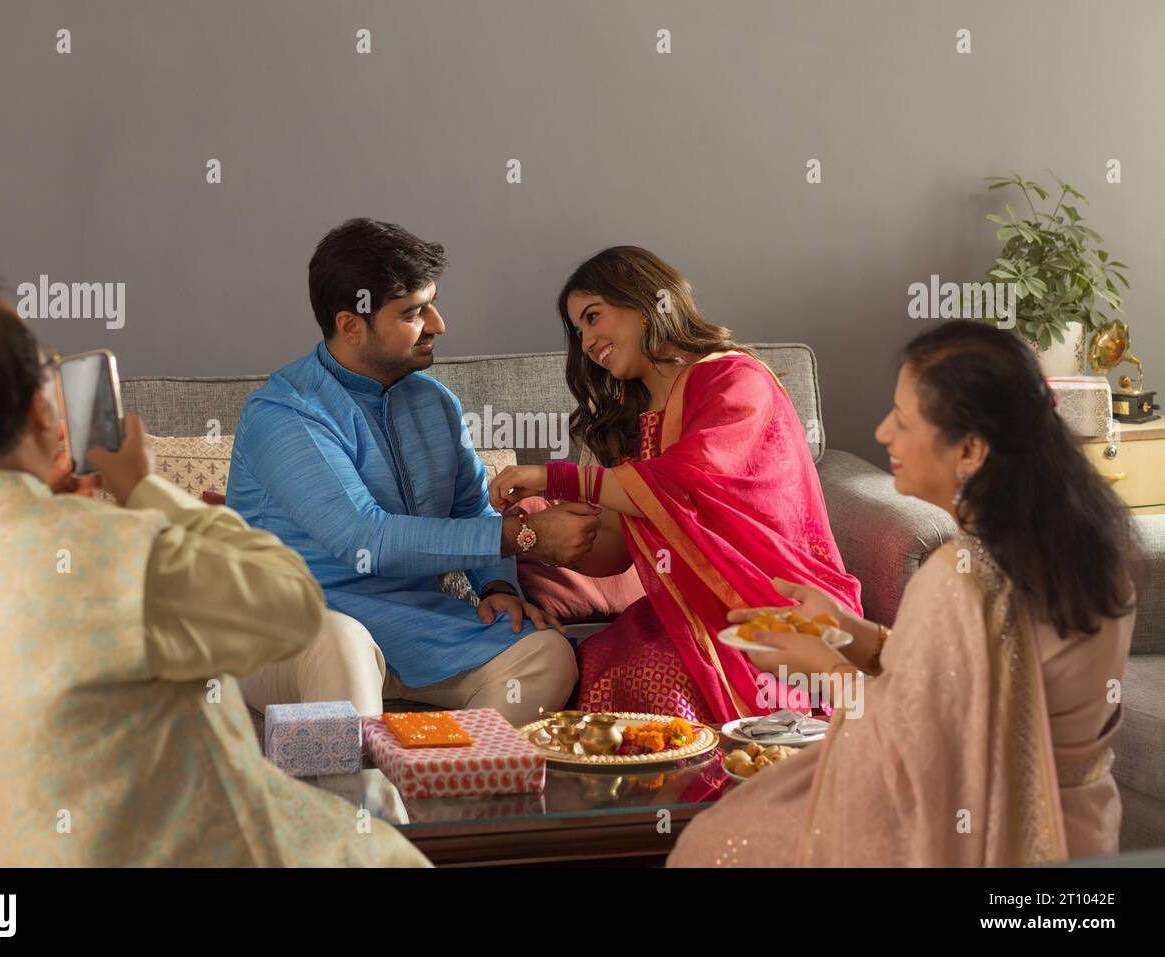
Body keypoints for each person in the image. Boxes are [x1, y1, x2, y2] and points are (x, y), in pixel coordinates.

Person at [0, 278, 427, 866]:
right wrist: (142, 488)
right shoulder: (123, 553)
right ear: (41, 406)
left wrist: (45, 499)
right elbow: (292, 604)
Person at [669, 320, 1137, 866]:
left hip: (978, 831)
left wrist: (822, 668)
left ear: (971, 449)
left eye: (904, 421)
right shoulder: (1087, 551)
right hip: (1082, 827)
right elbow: (976, 681)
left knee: (716, 843)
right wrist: (849, 632)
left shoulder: (962, 576)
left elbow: (916, 747)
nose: (883, 432)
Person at [227, 219, 588, 725]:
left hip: (413, 624)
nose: (438, 324)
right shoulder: (286, 413)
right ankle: (358, 804)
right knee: (341, 642)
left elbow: (471, 509)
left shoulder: (435, 404)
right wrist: (524, 536)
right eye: (414, 312)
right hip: (293, 629)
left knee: (545, 654)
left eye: (432, 304)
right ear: (352, 325)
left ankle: (438, 773)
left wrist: (499, 588)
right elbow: (365, 537)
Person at [490, 246, 861, 724]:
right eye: (577, 330)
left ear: (646, 302)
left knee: (664, 688)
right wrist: (543, 538)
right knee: (606, 667)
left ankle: (738, 792)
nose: (585, 341)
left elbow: (682, 484)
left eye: (593, 317)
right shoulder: (631, 417)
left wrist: (553, 476)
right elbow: (618, 546)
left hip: (771, 604)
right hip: (685, 610)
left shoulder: (734, 379)